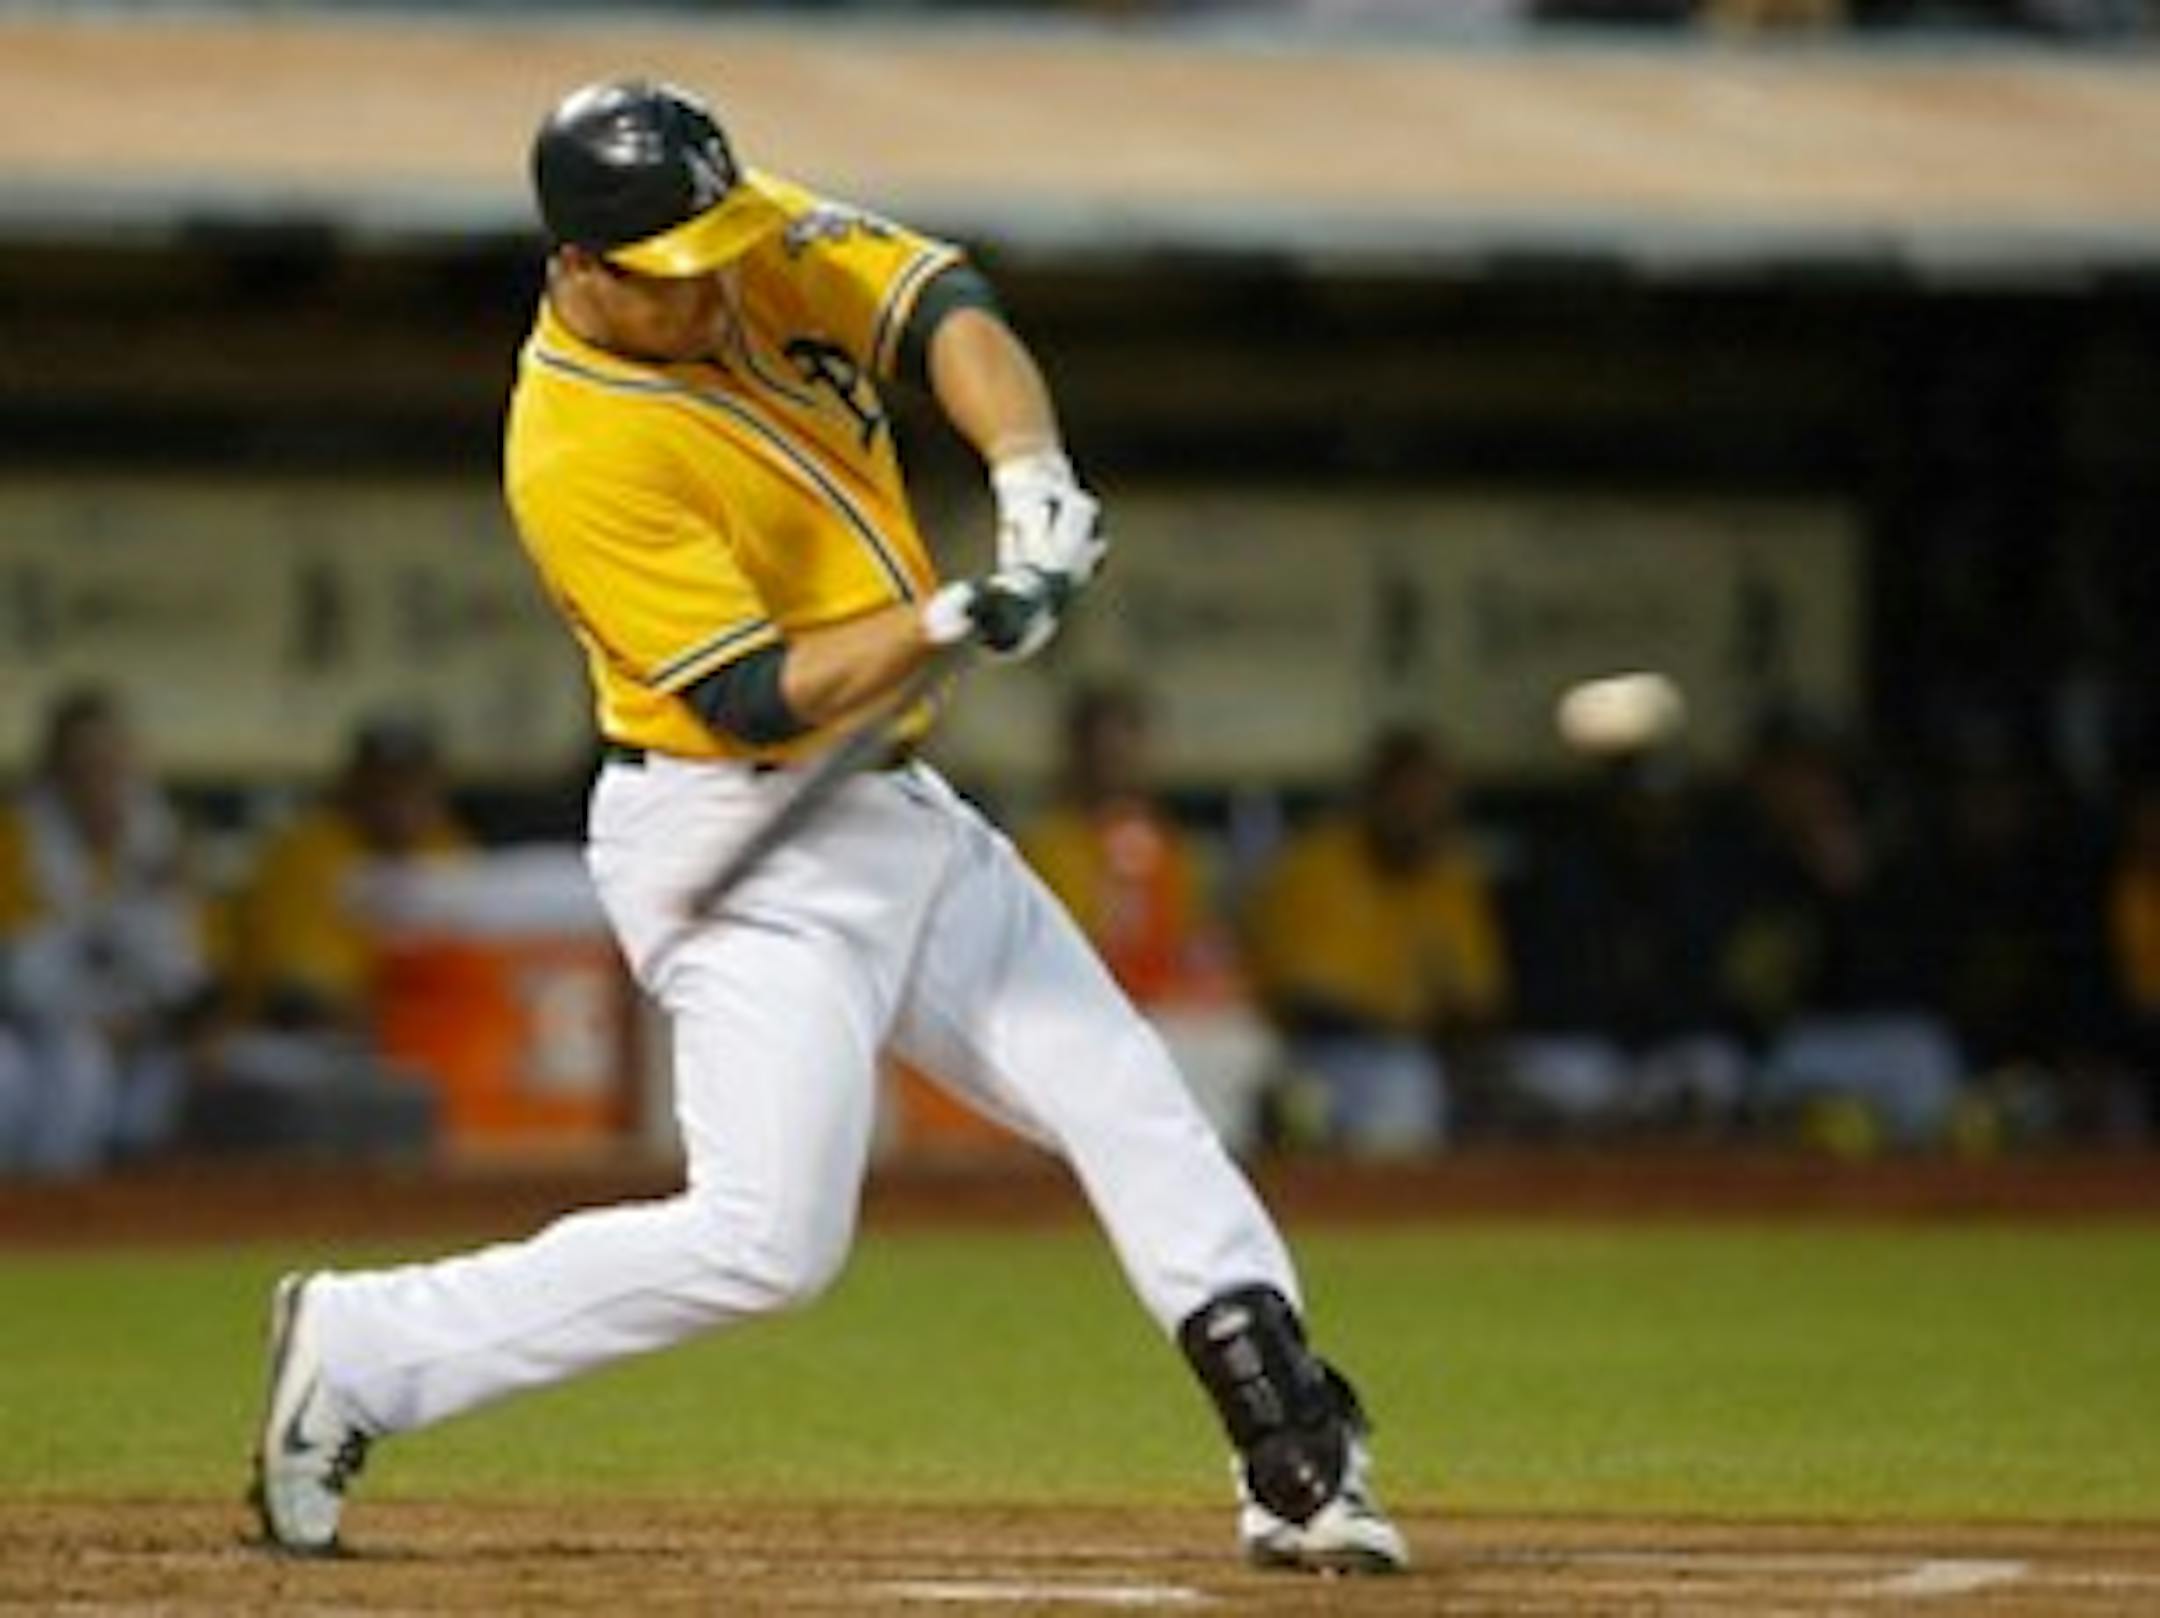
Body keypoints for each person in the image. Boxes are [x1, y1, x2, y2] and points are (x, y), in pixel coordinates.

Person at [250, 79, 1406, 1576]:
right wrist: (947, 619)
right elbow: (748, 698)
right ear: (576, 265)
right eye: (669, 274)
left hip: (896, 809)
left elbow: (946, 310)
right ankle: (362, 1346)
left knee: (1127, 1096)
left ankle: (1294, 1453)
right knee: (769, 1242)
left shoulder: (737, 239)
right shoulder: (572, 449)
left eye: (715, 249)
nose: (711, 285)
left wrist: (1030, 475)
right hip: (741, 837)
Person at [1241, 727, 1508, 1152]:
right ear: (1373, 798)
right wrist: (1396, 1022)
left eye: (1431, 803)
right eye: (1406, 800)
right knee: (1400, 1080)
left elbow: (1478, 1003)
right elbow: (1304, 1001)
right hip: (1314, 1056)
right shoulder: (1316, 866)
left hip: (1422, 1060)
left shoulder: (1451, 878)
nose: (1417, 816)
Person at [0, 687, 210, 1176]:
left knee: (195, 1072)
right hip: (37, 1033)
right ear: (55, 773)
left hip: (146, 1032)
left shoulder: (157, 840)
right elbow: (22, 978)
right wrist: (96, 1018)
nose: (99, 780)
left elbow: (185, 973)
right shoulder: (17, 839)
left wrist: (151, 1021)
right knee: (68, 1066)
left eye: (111, 764)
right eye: (83, 766)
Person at [226, 715, 470, 1036]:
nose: (397, 801)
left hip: (412, 1033)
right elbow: (302, 994)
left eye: (412, 785)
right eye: (381, 785)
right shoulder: (306, 849)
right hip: (293, 1036)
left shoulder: (446, 847)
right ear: (351, 785)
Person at [1018, 683, 1219, 1006]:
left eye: (1124, 752)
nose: (1113, 767)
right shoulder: (1046, 846)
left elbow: (1191, 944)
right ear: (1076, 754)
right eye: (1101, 753)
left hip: (1161, 1012)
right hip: (1072, 1011)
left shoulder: (1171, 850)